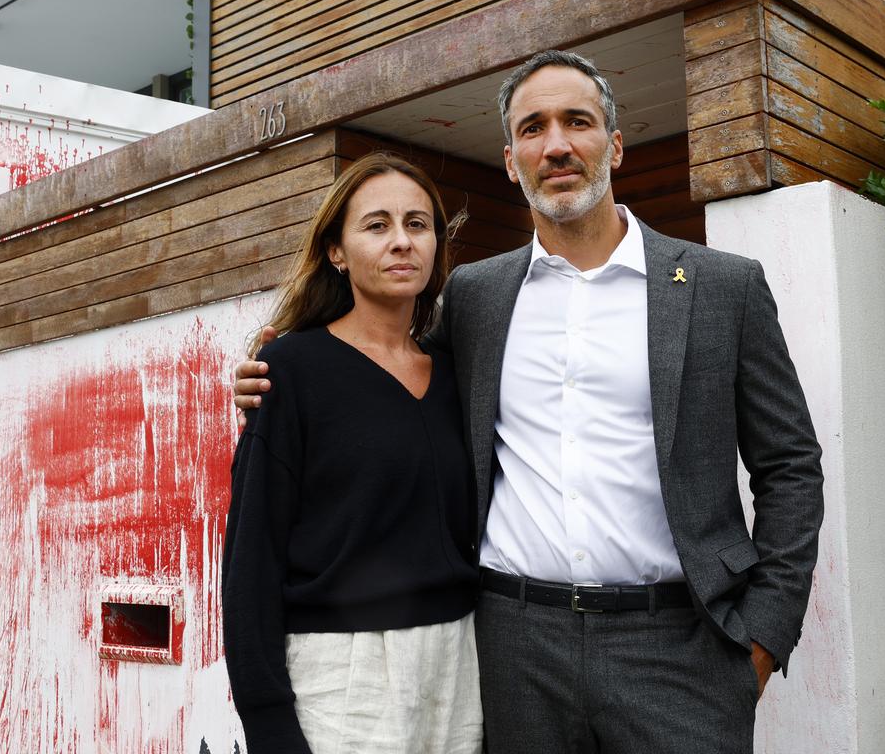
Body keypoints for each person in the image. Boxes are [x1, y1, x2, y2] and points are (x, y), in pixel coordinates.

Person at [234, 50, 824, 754]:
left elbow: (790, 465)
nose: (558, 144)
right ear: (512, 160)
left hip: (680, 647)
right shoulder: (476, 298)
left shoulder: (723, 288)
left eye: (577, 121)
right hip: (512, 648)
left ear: (615, 143)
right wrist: (277, 370)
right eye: (534, 128)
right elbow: (378, 382)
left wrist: (761, 637)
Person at [222, 152, 482, 754]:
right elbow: (252, 555)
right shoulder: (289, 370)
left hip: (458, 664)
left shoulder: (458, 373)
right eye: (377, 225)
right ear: (336, 251)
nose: (401, 242)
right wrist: (267, 721)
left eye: (418, 225)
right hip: (344, 677)